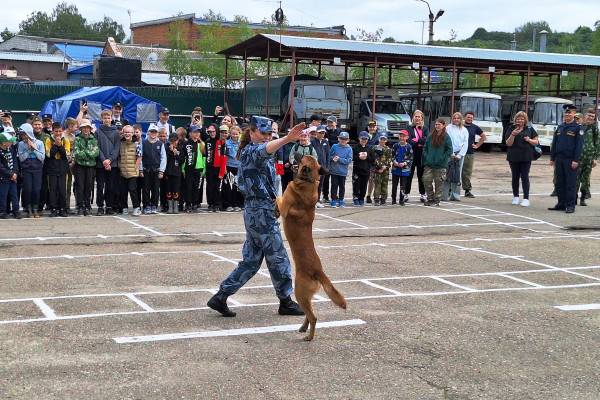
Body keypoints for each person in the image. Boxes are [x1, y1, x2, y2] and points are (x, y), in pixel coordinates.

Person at [207, 122, 307, 318]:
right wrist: (287, 139)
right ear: (251, 132)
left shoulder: (256, 151)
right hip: (260, 211)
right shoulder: (250, 151)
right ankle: (285, 301)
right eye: (263, 133)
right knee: (278, 256)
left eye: (269, 133)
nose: (267, 136)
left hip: (260, 209)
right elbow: (264, 149)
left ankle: (221, 296)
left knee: (252, 260)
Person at [549, 104, 583, 214]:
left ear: (574, 114)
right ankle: (561, 204)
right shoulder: (560, 127)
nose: (567, 114)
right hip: (559, 159)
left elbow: (579, 146)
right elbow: (554, 143)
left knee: (570, 183)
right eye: (566, 113)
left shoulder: (578, 128)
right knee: (559, 183)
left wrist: (576, 160)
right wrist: (552, 158)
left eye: (570, 112)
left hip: (570, 159)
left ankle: (570, 205)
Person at [505, 111, 538, 207]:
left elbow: (536, 142)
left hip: (526, 156)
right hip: (513, 156)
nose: (520, 120)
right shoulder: (511, 128)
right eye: (518, 118)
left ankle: (526, 198)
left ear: (525, 120)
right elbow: (508, 143)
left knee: (525, 177)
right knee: (515, 177)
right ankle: (515, 197)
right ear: (515, 120)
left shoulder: (530, 129)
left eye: (522, 119)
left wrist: (529, 140)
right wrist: (513, 135)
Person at [95, 110, 121, 215]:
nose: (106, 119)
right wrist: (104, 160)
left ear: (111, 118)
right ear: (102, 119)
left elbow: (116, 148)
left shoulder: (116, 132)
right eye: (104, 118)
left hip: (112, 165)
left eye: (108, 117)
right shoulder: (97, 132)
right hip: (101, 165)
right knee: (100, 186)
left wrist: (109, 160)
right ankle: (100, 206)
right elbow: (96, 147)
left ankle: (109, 206)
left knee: (110, 186)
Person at [423, 119, 453, 207]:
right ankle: (430, 198)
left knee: (439, 183)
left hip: (440, 165)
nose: (437, 126)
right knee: (426, 180)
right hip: (429, 164)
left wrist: (442, 158)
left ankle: (437, 200)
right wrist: (427, 157)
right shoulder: (431, 135)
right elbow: (425, 147)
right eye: (436, 124)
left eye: (439, 124)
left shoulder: (446, 137)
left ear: (443, 125)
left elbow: (449, 150)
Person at [17, 124, 45, 218]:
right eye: (22, 135)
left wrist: (34, 149)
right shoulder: (21, 144)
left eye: (24, 134)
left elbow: (42, 157)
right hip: (26, 169)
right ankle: (28, 209)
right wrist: (29, 150)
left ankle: (35, 209)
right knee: (28, 189)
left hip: (37, 169)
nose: (23, 136)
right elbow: (21, 158)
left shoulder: (39, 143)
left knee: (36, 189)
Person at [72, 120, 99, 216]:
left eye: (88, 127)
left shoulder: (94, 140)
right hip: (79, 166)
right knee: (80, 186)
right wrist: (88, 153)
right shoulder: (77, 139)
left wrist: (85, 152)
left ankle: (87, 206)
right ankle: (80, 206)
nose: (86, 129)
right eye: (84, 128)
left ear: (90, 129)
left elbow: (96, 153)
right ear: (81, 129)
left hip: (91, 167)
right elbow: (77, 153)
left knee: (88, 186)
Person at [45, 122, 71, 217]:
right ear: (53, 131)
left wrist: (60, 146)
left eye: (60, 131)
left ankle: (62, 209)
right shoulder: (48, 140)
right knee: (53, 190)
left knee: (62, 190)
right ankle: (54, 209)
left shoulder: (66, 140)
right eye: (56, 131)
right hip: (52, 168)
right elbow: (49, 154)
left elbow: (67, 155)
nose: (58, 133)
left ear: (62, 131)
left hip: (63, 168)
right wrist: (56, 145)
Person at [140, 124, 166, 214]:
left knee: (155, 189)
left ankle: (154, 205)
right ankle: (146, 205)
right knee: (146, 189)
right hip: (146, 170)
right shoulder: (143, 143)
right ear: (148, 132)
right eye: (152, 132)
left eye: (155, 132)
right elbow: (140, 157)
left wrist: (161, 171)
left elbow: (163, 158)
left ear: (157, 133)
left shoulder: (160, 144)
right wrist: (140, 169)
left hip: (156, 170)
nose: (153, 133)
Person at [443, 112, 469, 201]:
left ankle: (455, 195)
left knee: (457, 175)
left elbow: (466, 143)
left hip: (459, 155)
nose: (456, 120)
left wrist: (460, 155)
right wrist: (451, 153)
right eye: (454, 118)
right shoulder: (447, 128)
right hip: (449, 154)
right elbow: (446, 141)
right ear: (452, 119)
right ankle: (444, 195)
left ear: (461, 119)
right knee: (447, 174)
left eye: (458, 118)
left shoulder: (464, 130)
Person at [576, 108, 600, 206]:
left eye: (592, 117)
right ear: (585, 115)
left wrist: (595, 158)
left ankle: (583, 199)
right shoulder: (579, 127)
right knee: (576, 179)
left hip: (589, 158)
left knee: (585, 179)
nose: (590, 118)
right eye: (589, 115)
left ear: (594, 118)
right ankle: (574, 198)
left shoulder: (594, 128)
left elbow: (597, 143)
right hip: (578, 157)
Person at [118, 125, 142, 216]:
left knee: (133, 190)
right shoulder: (120, 143)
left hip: (132, 172)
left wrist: (136, 167)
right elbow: (119, 157)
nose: (127, 134)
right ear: (123, 133)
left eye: (129, 132)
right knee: (123, 191)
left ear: (132, 133)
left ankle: (136, 208)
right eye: (125, 132)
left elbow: (139, 157)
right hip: (123, 172)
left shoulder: (136, 144)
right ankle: (124, 208)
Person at [406, 110, 429, 203]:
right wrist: (418, 142)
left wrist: (417, 141)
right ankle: (406, 194)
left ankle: (423, 194)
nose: (417, 118)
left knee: (421, 175)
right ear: (413, 118)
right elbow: (409, 141)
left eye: (419, 117)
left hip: (421, 154)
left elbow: (426, 140)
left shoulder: (425, 129)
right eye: (416, 116)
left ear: (422, 118)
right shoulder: (409, 128)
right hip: (411, 154)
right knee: (409, 175)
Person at [462, 111, 486, 198]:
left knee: (467, 172)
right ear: (464, 117)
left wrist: (477, 145)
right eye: (468, 117)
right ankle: (451, 190)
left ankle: (467, 190)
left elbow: (483, 136)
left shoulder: (475, 127)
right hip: (458, 153)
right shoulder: (460, 126)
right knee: (454, 171)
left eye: (471, 117)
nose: (470, 119)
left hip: (469, 153)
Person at [182, 126, 206, 212]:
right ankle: (188, 204)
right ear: (190, 133)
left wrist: (204, 168)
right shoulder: (186, 144)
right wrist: (183, 169)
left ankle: (195, 203)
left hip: (199, 169)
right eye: (194, 132)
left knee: (196, 187)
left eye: (198, 132)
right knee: (188, 187)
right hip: (189, 169)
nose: (196, 134)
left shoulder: (202, 144)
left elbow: (204, 157)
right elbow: (183, 157)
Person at [329, 131, 353, 208]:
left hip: (343, 172)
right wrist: (333, 158)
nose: (343, 140)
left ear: (348, 140)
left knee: (342, 186)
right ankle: (333, 200)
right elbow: (329, 156)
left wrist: (339, 159)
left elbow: (349, 160)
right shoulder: (334, 146)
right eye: (341, 138)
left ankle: (341, 200)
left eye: (345, 139)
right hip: (334, 171)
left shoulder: (349, 149)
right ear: (338, 139)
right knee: (334, 185)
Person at [0, 131, 20, 219]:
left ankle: (16, 211)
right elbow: (0, 167)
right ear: (3, 142)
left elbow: (15, 161)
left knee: (14, 195)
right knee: (3, 195)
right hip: (3, 177)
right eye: (10, 141)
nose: (11, 142)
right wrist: (10, 174)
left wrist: (15, 172)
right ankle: (2, 212)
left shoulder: (11, 149)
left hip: (13, 177)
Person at [391, 130, 413, 206]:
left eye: (404, 136)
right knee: (394, 185)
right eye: (401, 136)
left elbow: (410, 158)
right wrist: (395, 162)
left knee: (403, 185)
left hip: (404, 170)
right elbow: (392, 156)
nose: (402, 138)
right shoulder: (395, 146)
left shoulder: (409, 147)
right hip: (395, 168)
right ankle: (393, 199)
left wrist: (404, 163)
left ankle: (401, 199)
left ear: (407, 137)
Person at [165, 131, 185, 214]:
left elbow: (181, 161)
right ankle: (170, 207)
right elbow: (165, 160)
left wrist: (176, 153)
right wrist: (170, 152)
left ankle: (176, 206)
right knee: (169, 190)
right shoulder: (166, 148)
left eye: (175, 141)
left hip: (177, 173)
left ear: (178, 140)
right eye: (171, 141)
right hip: (168, 173)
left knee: (176, 190)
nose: (173, 142)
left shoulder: (180, 148)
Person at [371, 133, 393, 206]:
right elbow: (374, 159)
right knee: (377, 184)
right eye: (381, 139)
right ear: (379, 139)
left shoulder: (388, 149)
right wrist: (379, 167)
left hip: (385, 170)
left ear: (386, 140)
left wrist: (384, 167)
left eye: (384, 139)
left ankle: (383, 199)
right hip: (377, 170)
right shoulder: (374, 148)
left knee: (384, 184)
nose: (382, 141)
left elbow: (390, 160)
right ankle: (376, 199)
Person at [311, 125, 330, 208]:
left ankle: (318, 200)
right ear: (316, 133)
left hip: (323, 167)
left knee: (320, 184)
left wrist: (327, 166)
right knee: (313, 185)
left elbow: (328, 155)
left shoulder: (326, 142)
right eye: (320, 132)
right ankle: (312, 201)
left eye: (323, 132)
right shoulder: (312, 142)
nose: (322, 134)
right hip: (315, 167)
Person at [225, 125, 243, 211]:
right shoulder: (227, 143)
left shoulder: (242, 143)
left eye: (237, 134)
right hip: (230, 167)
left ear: (240, 134)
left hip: (239, 168)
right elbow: (230, 155)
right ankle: (229, 204)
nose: (235, 136)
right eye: (233, 134)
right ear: (230, 134)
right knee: (230, 186)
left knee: (237, 186)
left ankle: (236, 204)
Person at [352, 131, 372, 206]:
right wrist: (359, 157)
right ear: (359, 138)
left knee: (364, 185)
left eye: (365, 139)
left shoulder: (369, 148)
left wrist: (367, 157)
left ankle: (361, 198)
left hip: (366, 170)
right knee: (356, 185)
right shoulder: (355, 147)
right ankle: (355, 198)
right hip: (357, 170)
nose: (364, 140)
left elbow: (372, 159)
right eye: (362, 139)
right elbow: (352, 158)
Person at [323, 115, 340, 202]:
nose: (329, 124)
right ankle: (325, 195)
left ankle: (334, 195)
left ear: (335, 123)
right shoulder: (324, 131)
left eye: (331, 122)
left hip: (336, 159)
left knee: (335, 179)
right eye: (328, 122)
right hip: (326, 157)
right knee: (326, 178)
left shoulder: (339, 132)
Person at [63, 118, 78, 213]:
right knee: (63, 186)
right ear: (70, 126)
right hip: (63, 164)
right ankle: (63, 206)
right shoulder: (63, 136)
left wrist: (73, 161)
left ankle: (67, 206)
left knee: (69, 186)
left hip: (72, 164)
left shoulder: (73, 136)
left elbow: (75, 151)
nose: (77, 128)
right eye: (75, 126)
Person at [365, 120, 380, 203]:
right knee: (363, 179)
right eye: (370, 127)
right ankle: (360, 195)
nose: (372, 128)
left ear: (376, 127)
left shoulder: (379, 136)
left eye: (373, 127)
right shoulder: (364, 135)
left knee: (372, 180)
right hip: (364, 161)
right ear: (368, 128)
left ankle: (369, 195)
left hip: (374, 161)